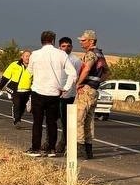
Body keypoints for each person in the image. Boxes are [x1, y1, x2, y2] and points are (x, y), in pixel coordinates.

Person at [26, 30, 76, 157]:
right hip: (54, 92)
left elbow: (29, 72)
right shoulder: (61, 54)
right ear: (53, 41)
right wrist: (66, 87)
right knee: (51, 122)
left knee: (37, 122)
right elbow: (73, 74)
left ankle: (35, 148)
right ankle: (51, 149)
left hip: (38, 91)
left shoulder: (35, 54)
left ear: (41, 40)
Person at [71, 30, 108, 160]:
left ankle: (79, 149)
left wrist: (79, 83)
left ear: (91, 41)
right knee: (89, 120)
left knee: (78, 118)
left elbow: (87, 69)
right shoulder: (101, 54)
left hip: (86, 90)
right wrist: (96, 82)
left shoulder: (91, 54)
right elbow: (106, 73)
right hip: (93, 91)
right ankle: (89, 149)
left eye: (84, 40)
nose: (81, 42)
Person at [56, 36, 82, 149]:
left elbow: (76, 77)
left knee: (66, 122)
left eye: (68, 46)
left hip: (68, 95)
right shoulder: (55, 58)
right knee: (51, 120)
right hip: (54, 93)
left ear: (71, 47)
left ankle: (64, 143)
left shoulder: (75, 61)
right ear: (59, 47)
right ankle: (49, 142)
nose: (66, 48)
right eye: (63, 46)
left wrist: (69, 90)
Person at [0, 50, 33, 127]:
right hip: (16, 90)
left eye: (29, 56)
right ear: (22, 57)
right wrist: (0, 87)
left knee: (22, 106)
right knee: (17, 104)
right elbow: (6, 76)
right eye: (26, 56)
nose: (28, 58)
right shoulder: (15, 65)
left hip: (27, 90)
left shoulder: (33, 66)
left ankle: (19, 117)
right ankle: (17, 121)